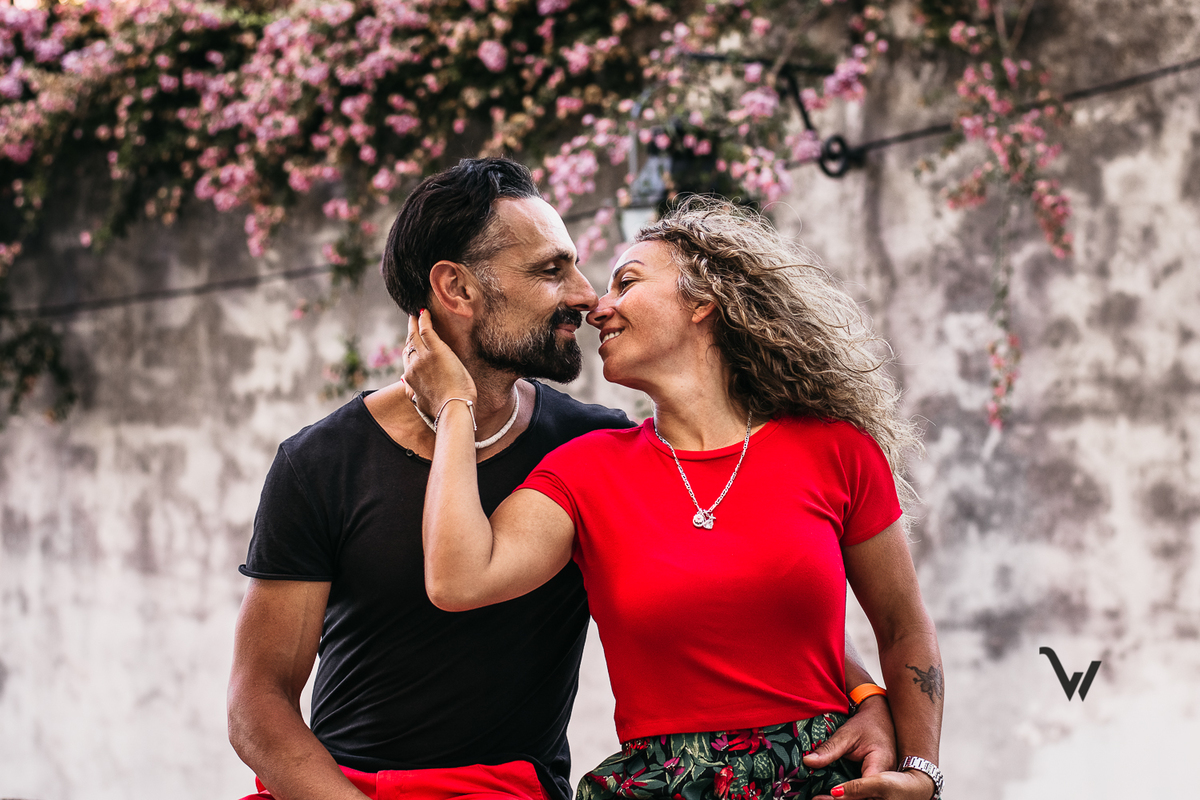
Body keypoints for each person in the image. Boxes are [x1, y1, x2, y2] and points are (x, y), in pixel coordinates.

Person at [228, 159, 898, 800]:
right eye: (553, 270)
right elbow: (258, 702)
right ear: (457, 289)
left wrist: (865, 698)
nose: (586, 297)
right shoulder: (320, 463)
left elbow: (741, 591)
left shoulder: (591, 449)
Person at [406, 196, 944, 800]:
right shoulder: (586, 469)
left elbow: (902, 626)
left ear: (704, 301)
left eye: (626, 283)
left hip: (822, 777)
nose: (597, 307)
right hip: (663, 785)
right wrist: (454, 404)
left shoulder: (836, 450)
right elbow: (457, 579)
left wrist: (920, 772)